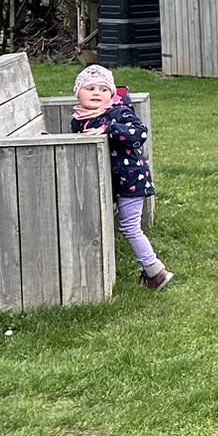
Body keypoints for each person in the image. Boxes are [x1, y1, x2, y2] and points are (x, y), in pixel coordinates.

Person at [70, 64, 171, 289]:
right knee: (125, 225)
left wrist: (109, 129)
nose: (97, 93)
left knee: (130, 227)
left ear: (112, 94)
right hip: (109, 181)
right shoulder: (80, 119)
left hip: (131, 180)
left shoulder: (118, 113)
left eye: (103, 89)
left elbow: (139, 133)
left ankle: (155, 271)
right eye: (90, 88)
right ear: (78, 93)